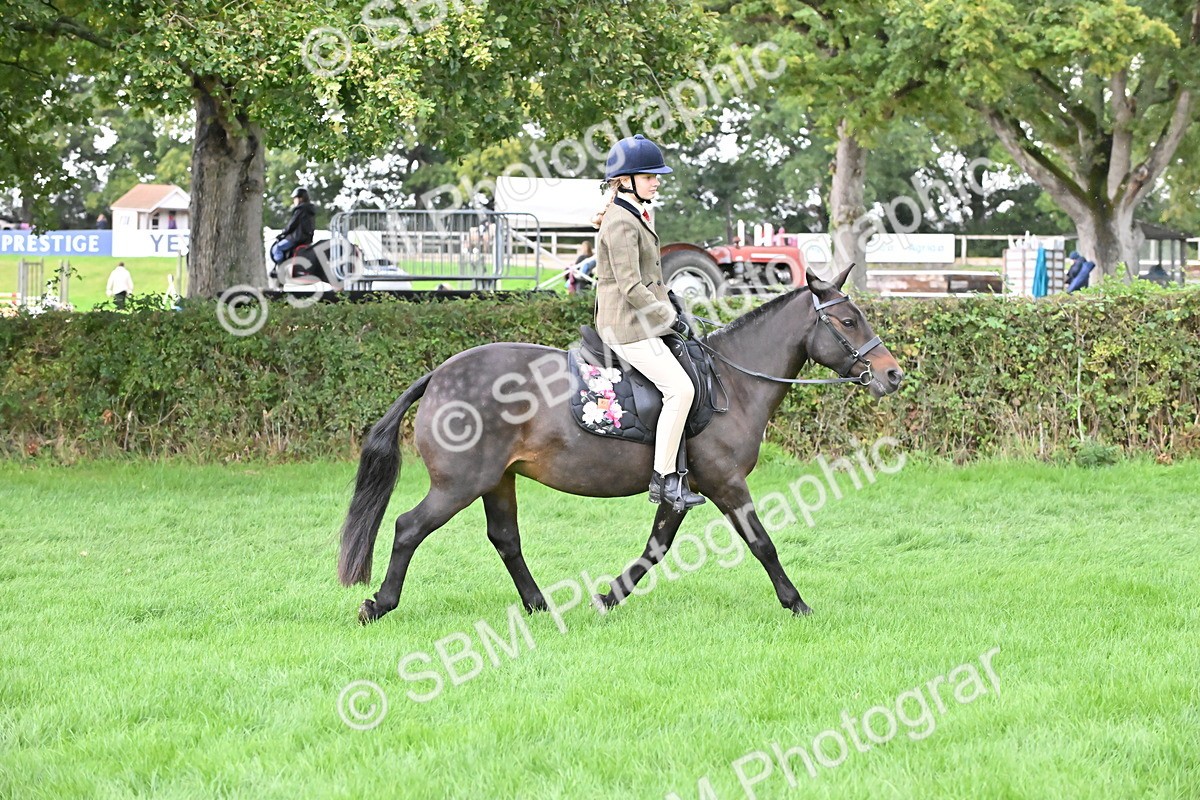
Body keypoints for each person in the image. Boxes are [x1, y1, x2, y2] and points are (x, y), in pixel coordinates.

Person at [592, 133, 705, 510]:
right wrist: (670, 318)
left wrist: (672, 302)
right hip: (625, 325)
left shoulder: (633, 213)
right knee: (681, 389)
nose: (657, 180)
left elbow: (651, 278)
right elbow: (631, 288)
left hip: (641, 319)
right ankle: (664, 480)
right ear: (626, 180)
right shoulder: (621, 222)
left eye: (657, 175)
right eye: (650, 175)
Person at [272, 187, 317, 264]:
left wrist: (283, 233)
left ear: (301, 198)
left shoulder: (300, 209)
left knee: (277, 248)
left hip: (296, 238)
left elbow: (292, 224)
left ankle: (281, 268)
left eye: (295, 198)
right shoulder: (310, 210)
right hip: (307, 239)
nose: (294, 201)